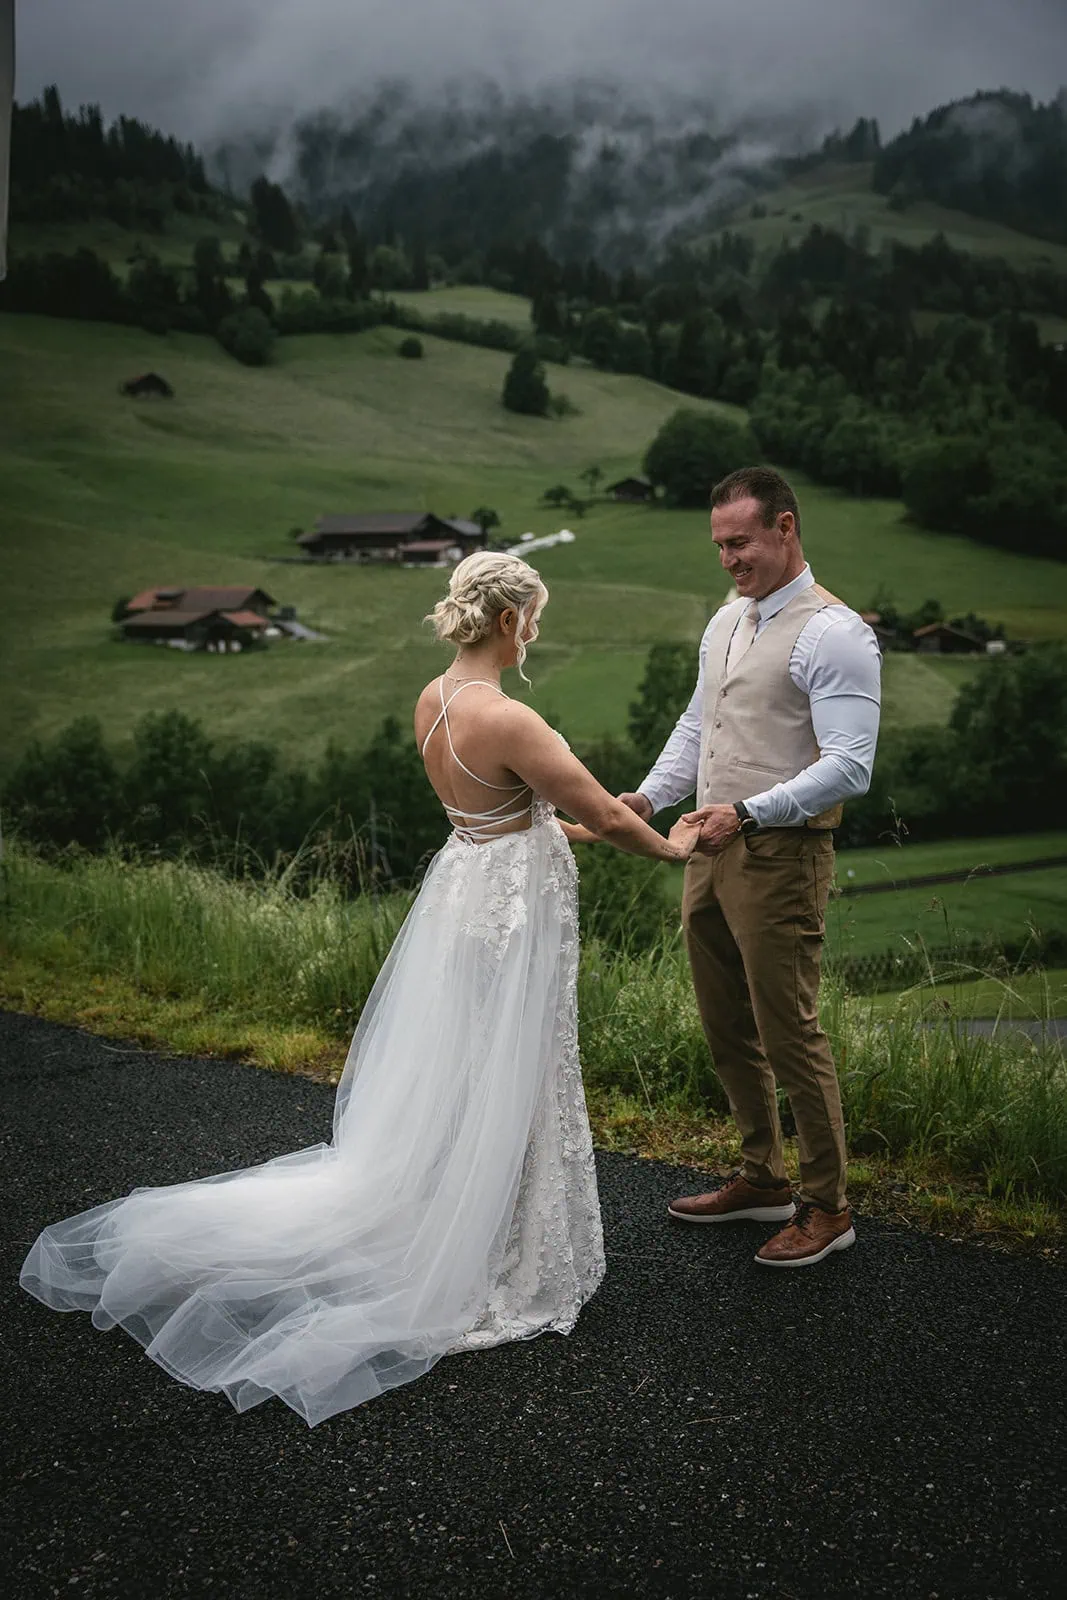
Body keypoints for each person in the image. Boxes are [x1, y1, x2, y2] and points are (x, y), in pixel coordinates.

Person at [20, 552, 698, 1426]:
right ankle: (492, 1238)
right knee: (509, 1059)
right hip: (512, 905)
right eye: (535, 616)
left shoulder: (435, 698)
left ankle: (466, 1205)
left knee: (468, 1058)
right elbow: (606, 812)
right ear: (508, 621)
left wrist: (562, 824)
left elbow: (500, 806)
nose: (537, 629)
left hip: (467, 881)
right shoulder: (514, 718)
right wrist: (674, 851)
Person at [619, 466, 882, 1267]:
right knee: (725, 1023)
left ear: (785, 527)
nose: (729, 558)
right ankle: (761, 1176)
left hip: (782, 854)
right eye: (719, 545)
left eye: (740, 542)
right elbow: (699, 723)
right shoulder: (725, 620)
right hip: (709, 843)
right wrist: (649, 798)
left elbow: (850, 765)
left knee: (787, 1030)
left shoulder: (835, 632)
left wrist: (750, 812)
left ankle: (826, 1205)